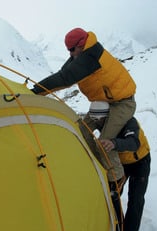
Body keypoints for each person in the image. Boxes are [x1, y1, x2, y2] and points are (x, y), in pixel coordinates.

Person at [31, 27, 137, 182]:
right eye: (68, 50)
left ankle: (116, 178)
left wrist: (34, 92)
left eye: (72, 49)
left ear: (81, 45)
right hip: (104, 102)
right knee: (82, 131)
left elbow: (65, 78)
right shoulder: (81, 54)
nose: (70, 54)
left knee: (104, 143)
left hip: (123, 103)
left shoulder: (91, 56)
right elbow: (64, 71)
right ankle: (97, 166)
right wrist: (37, 90)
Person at [99, 115, 151, 231]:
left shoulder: (128, 121)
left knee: (136, 199)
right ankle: (118, 225)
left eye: (102, 119)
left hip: (140, 162)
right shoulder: (103, 122)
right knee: (113, 193)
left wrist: (114, 143)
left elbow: (134, 142)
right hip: (121, 164)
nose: (100, 122)